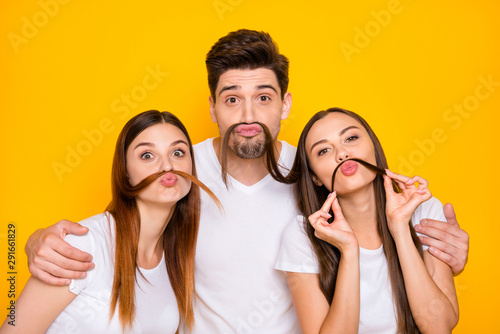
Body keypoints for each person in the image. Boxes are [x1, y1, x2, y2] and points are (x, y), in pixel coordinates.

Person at [22, 30, 469, 333]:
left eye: (264, 97)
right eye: (232, 99)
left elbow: (381, 209)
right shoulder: (178, 172)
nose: (249, 116)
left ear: (286, 104)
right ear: (213, 107)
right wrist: (33, 244)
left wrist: (440, 246)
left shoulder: (317, 172)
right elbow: (118, 231)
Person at [1, 110, 218, 333]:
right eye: (147, 155)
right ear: (125, 172)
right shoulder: (82, 246)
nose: (167, 166)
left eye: (178, 152)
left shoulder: (175, 261)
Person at [275, 107, 459, 333]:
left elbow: (439, 327)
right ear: (315, 177)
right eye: (323, 150)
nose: (342, 153)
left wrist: (400, 228)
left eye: (351, 138)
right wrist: (349, 251)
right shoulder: (303, 234)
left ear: (373, 147)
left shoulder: (423, 208)